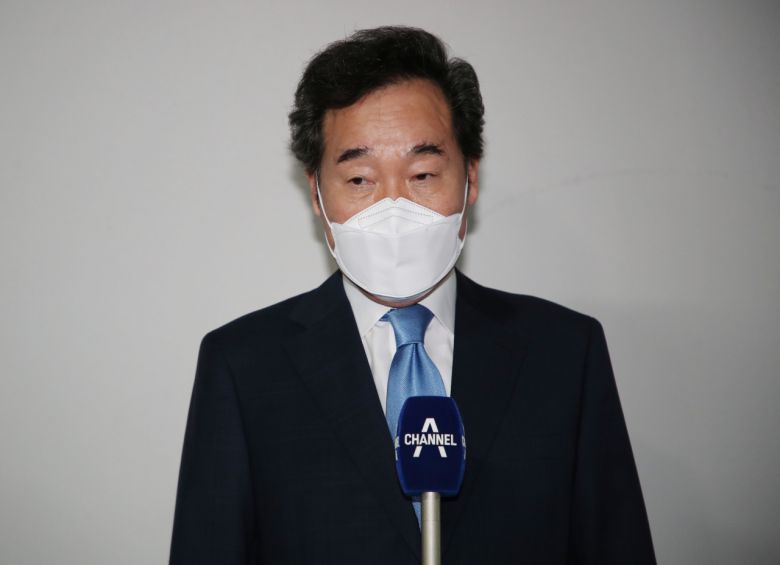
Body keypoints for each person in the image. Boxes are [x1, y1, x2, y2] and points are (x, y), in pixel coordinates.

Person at [169, 26, 656, 564]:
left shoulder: (564, 352)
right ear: (317, 194)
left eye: (422, 173)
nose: (394, 208)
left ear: (470, 177)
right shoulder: (243, 366)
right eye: (360, 180)